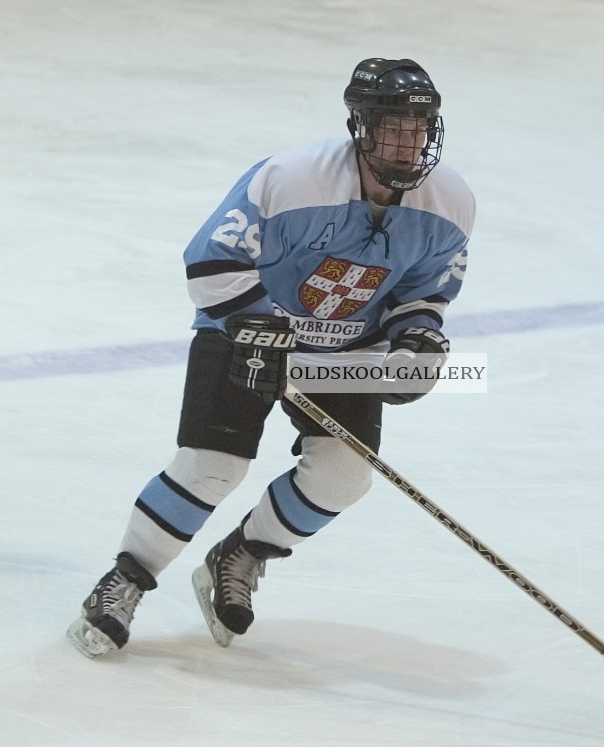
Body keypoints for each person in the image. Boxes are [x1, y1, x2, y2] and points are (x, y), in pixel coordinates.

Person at [67, 57, 474, 657]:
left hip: (346, 350)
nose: (408, 142)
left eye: (420, 127)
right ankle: (124, 579)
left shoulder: (450, 203)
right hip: (241, 332)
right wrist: (263, 332)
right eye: (394, 125)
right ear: (361, 126)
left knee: (343, 477)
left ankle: (241, 554)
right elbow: (211, 262)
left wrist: (415, 339)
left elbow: (424, 291)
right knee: (213, 466)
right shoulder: (291, 178)